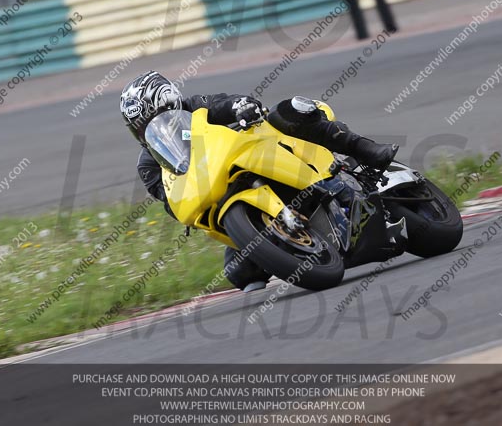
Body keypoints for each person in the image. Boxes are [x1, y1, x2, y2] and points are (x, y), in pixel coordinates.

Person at [120, 71, 397, 292]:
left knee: (289, 111)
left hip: (261, 155)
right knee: (239, 273)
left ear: (170, 103)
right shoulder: (148, 164)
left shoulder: (196, 107)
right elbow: (170, 200)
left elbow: (225, 103)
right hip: (226, 196)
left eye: (151, 119)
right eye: (140, 127)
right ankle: (295, 244)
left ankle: (364, 149)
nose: (147, 130)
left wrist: (242, 107)